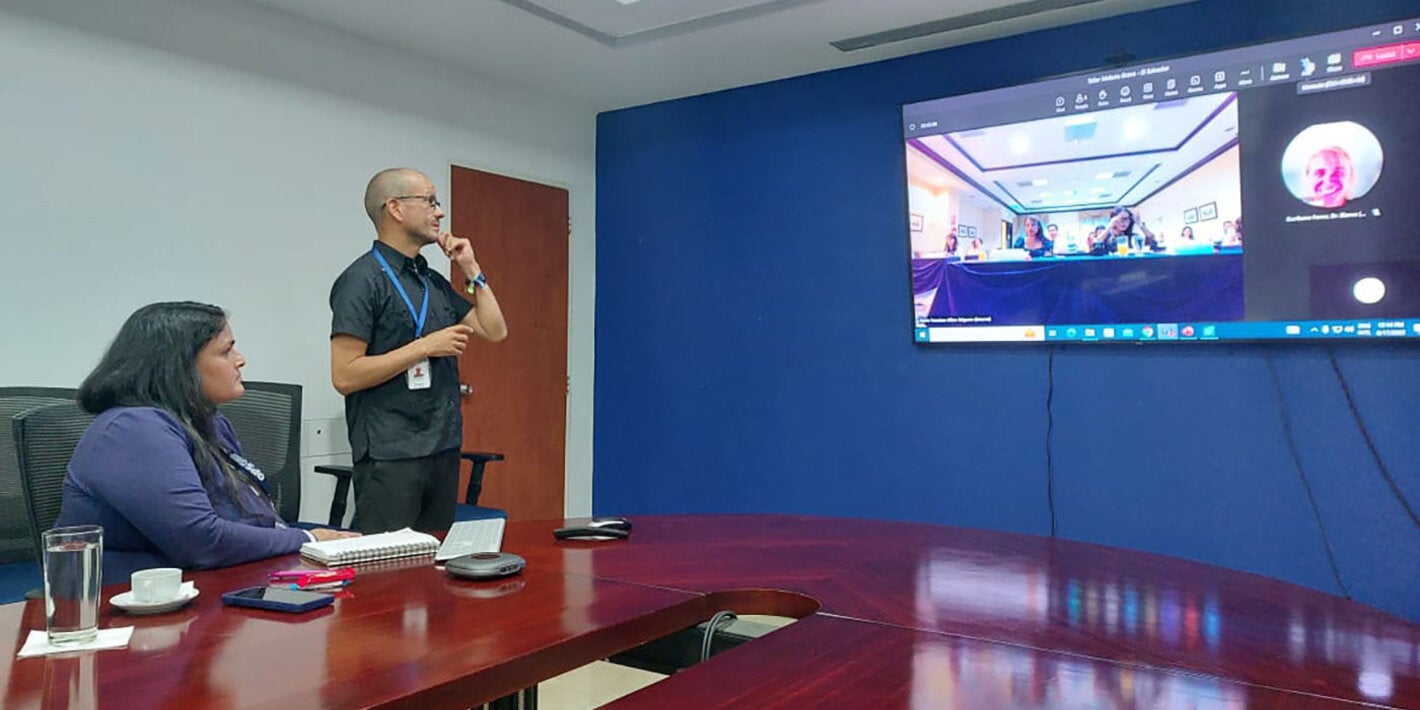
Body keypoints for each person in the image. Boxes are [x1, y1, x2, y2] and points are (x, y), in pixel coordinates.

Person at [54, 302, 359, 583]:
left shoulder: (207, 422)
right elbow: (199, 540)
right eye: (226, 352)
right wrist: (309, 540)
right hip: (125, 608)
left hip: (208, 586)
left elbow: (245, 517)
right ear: (179, 366)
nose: (241, 360)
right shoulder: (132, 429)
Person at [330, 168, 508, 534]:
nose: (439, 213)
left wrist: (471, 268)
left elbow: (495, 329)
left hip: (442, 446)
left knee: (435, 569)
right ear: (394, 208)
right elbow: (345, 375)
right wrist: (425, 346)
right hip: (390, 454)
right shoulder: (361, 281)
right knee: (390, 575)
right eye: (430, 201)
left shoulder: (431, 281)